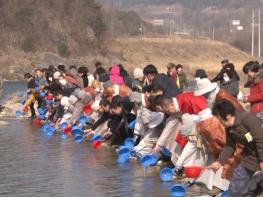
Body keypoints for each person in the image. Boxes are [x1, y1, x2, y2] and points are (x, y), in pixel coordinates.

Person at [209, 100, 263, 196]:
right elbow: (229, 146)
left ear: (228, 116)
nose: (220, 123)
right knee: (238, 179)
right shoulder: (229, 128)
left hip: (261, 152)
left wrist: (262, 160)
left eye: (220, 119)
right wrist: (219, 162)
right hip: (251, 156)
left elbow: (260, 139)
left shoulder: (247, 119)